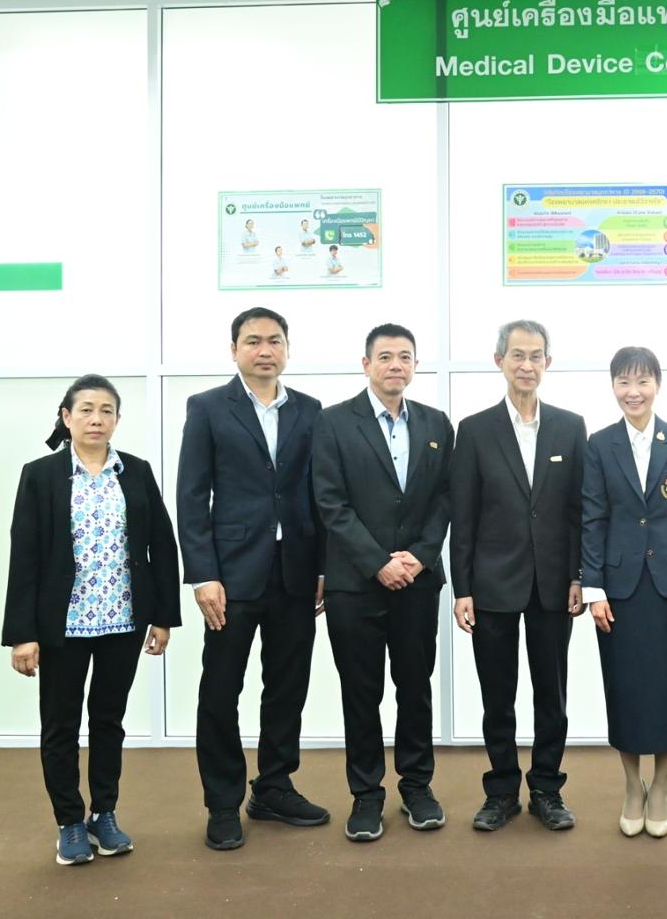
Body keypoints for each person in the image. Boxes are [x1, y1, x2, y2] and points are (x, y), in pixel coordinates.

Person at [3, 375, 181, 866]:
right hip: (62, 625)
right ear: (66, 417)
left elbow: (162, 546)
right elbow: (25, 557)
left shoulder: (136, 472)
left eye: (106, 410)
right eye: (85, 410)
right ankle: (69, 822)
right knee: (61, 726)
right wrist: (22, 634)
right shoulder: (40, 475)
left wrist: (163, 617)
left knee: (109, 721)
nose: (96, 419)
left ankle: (104, 814)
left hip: (123, 619)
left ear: (117, 420)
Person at [177, 307, 328, 851]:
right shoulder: (207, 407)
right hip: (232, 575)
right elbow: (192, 495)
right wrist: (203, 574)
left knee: (287, 687)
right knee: (221, 690)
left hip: (295, 572)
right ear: (234, 349)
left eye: (275, 341)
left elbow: (320, 492)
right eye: (254, 341)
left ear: (287, 348)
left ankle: (274, 787)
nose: (265, 350)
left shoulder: (310, 410)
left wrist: (322, 565)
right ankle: (222, 802)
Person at [312, 323, 455, 843]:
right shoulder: (332, 423)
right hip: (355, 583)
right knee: (361, 691)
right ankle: (366, 795)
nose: (396, 365)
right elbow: (330, 502)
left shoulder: (436, 423)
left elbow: (446, 497)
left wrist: (419, 556)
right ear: (366, 364)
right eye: (386, 356)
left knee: (415, 688)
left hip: (417, 581)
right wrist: (377, 562)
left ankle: (417, 787)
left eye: (406, 357)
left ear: (414, 365)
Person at [450, 320, 587, 832]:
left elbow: (578, 511)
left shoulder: (570, 426)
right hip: (492, 585)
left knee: (552, 694)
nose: (526, 365)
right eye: (517, 355)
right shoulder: (475, 429)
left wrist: (578, 575)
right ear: (499, 361)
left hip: (554, 585)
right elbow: (463, 516)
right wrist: (462, 587)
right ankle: (502, 791)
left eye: (535, 356)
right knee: (497, 694)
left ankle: (547, 789)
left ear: (547, 362)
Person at [582, 347, 667, 838]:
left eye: (642, 381)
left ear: (657, 384)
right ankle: (631, 785)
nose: (633, 392)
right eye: (624, 382)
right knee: (625, 687)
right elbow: (592, 519)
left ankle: (660, 785)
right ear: (613, 386)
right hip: (618, 589)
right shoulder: (600, 444)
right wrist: (593, 587)